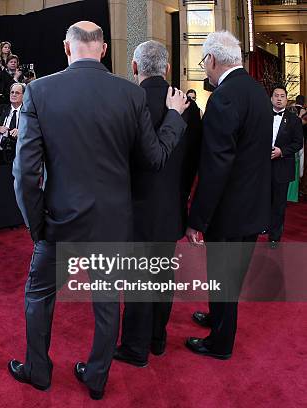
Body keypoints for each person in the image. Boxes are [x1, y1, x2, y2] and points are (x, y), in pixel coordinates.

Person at [9, 21, 188, 400]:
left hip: (58, 220)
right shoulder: (129, 94)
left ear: (67, 48)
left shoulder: (39, 91)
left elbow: (24, 174)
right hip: (112, 221)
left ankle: (38, 371)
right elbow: (154, 158)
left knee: (39, 296)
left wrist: (37, 225)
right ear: (104, 50)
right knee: (107, 304)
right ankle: (96, 377)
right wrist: (174, 117)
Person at [114, 40, 202, 367]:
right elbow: (195, 162)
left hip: (133, 208)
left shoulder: (125, 103)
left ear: (135, 68)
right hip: (170, 208)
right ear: (166, 68)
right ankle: (157, 339)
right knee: (163, 277)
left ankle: (135, 348)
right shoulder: (188, 107)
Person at [185, 31, 272, 359]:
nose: (204, 69)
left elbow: (215, 168)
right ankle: (217, 318)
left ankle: (219, 344)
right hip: (252, 207)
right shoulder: (257, 92)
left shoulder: (224, 97)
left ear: (211, 59)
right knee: (227, 277)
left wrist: (197, 219)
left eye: (203, 62)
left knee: (224, 278)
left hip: (229, 211)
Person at [269, 86, 303, 247]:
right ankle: (262, 226)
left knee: (279, 203)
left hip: (282, 165)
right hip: (263, 166)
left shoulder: (294, 120)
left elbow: (298, 143)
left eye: (282, 96)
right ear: (271, 98)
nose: (279, 98)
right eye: (276, 95)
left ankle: (275, 236)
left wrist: (281, 151)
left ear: (286, 99)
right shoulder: (263, 116)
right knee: (263, 199)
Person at [0, 82, 24, 164]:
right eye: (12, 92)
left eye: (17, 93)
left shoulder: (28, 112)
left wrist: (21, 132)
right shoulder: (0, 109)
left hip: (21, 154)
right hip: (1, 155)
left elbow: (34, 130)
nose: (13, 95)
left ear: (24, 96)